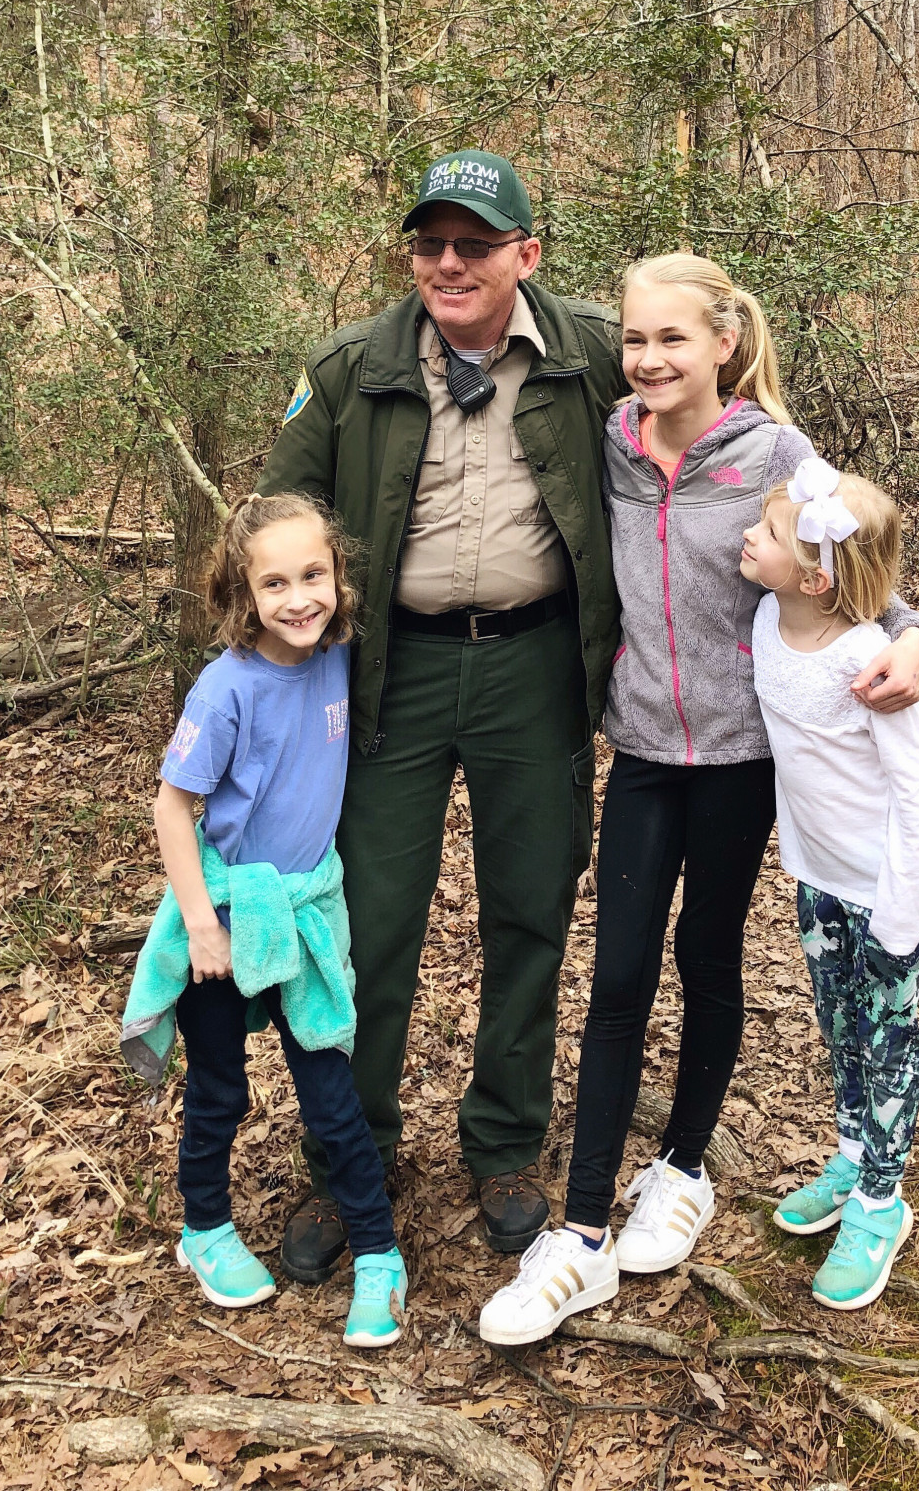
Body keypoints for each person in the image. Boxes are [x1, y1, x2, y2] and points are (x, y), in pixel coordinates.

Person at [477, 253, 919, 1346]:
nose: (647, 359)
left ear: (724, 342)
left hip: (743, 759)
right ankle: (583, 1230)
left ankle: (684, 1166)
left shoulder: (777, 454)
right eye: (634, 340)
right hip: (640, 747)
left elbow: (859, 563)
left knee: (709, 956)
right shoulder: (608, 441)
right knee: (621, 969)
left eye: (672, 340)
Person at [257, 151, 624, 1279]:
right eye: (431, 244)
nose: (451, 263)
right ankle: (346, 1155)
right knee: (365, 924)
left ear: (529, 250)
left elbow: (729, 461)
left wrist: (886, 612)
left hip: (534, 665)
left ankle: (507, 1141)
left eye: (476, 242)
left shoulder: (599, 355)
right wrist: (251, 701)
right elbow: (276, 524)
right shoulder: (352, 368)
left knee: (531, 906)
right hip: (390, 676)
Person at [120, 493, 406, 1346]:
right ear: (244, 592)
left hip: (308, 917)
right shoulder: (225, 687)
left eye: (313, 575)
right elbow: (174, 809)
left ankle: (379, 1254)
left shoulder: (337, 654)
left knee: (329, 1094)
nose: (298, 598)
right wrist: (201, 925)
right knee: (219, 1089)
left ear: (338, 575)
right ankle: (203, 1228)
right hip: (233, 915)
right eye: (274, 583)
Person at [743, 458, 919, 1310]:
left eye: (771, 532)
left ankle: (881, 1202)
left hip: (885, 891)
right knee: (837, 1027)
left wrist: (904, 907)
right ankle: (854, 1151)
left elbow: (915, 789)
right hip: (817, 879)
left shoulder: (868, 660)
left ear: (818, 575)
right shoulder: (764, 618)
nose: (750, 536)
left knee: (886, 1038)